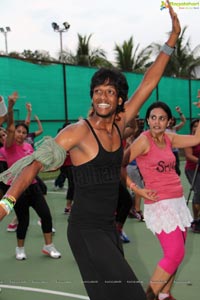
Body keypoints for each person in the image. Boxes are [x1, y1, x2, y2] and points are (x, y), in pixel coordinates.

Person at [0, 3, 180, 299]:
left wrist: (172, 39)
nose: (103, 96)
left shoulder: (121, 124)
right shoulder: (77, 132)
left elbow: (149, 82)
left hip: (107, 228)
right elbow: (33, 164)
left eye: (110, 91)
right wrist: (7, 203)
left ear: (120, 99)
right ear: (92, 96)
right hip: (85, 230)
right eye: (98, 90)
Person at [121, 101, 200, 300]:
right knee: (174, 254)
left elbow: (197, 138)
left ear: (168, 121)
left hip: (178, 203)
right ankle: (149, 296)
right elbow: (118, 166)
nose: (157, 122)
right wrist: (137, 188)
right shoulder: (143, 141)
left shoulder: (170, 138)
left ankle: (164, 294)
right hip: (160, 204)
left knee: (178, 255)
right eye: (153, 118)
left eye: (162, 118)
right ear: (147, 120)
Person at [2, 92, 61, 260]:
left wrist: (49, 167)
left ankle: (48, 246)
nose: (20, 134)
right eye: (18, 131)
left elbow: (36, 165)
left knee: (46, 215)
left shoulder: (29, 147)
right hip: (17, 189)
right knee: (24, 221)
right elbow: (10, 127)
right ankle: (20, 249)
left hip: (33, 186)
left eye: (23, 132)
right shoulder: (9, 147)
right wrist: (11, 107)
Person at [184, 118, 200, 233]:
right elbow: (189, 156)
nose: (197, 128)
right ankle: (196, 219)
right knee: (198, 191)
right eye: (195, 126)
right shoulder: (189, 139)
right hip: (192, 169)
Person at [166, 106, 186, 175]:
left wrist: (179, 112)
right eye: (170, 120)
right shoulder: (163, 130)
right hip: (167, 152)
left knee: (177, 169)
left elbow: (183, 121)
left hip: (175, 151)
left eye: (173, 120)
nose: (171, 121)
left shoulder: (174, 129)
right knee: (169, 168)